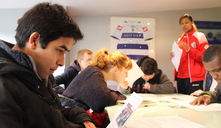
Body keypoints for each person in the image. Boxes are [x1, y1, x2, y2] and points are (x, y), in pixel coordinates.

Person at [0, 3, 96, 128]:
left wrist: (81, 117)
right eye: (59, 50)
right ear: (34, 40)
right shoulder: (4, 84)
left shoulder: (40, 75)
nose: (61, 62)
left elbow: (56, 113)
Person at [62, 49, 132, 127]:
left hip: (74, 115)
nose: (127, 76)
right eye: (126, 72)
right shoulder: (95, 73)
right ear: (115, 70)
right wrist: (120, 96)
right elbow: (104, 101)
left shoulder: (94, 72)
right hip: (72, 119)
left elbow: (105, 94)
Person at [170, 14, 209, 95]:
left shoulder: (200, 36)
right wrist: (173, 56)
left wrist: (189, 49)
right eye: (182, 23)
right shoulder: (180, 38)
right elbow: (179, 58)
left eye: (186, 22)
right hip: (180, 76)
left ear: (192, 23)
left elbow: (204, 57)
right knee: (182, 101)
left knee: (194, 101)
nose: (184, 25)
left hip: (194, 77)